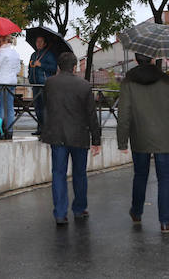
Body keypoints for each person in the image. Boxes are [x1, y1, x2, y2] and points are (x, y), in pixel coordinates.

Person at [117, 53, 169, 233]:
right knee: (164, 179)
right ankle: (165, 222)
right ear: (153, 60)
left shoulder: (128, 82)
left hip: (139, 136)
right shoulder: (168, 81)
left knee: (140, 175)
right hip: (164, 138)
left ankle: (137, 212)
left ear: (136, 60)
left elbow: (124, 114)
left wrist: (122, 141)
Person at [41, 52, 101, 225]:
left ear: (58, 67)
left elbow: (47, 107)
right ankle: (79, 208)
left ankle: (60, 213)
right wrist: (96, 139)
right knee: (80, 174)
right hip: (79, 136)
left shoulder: (50, 83)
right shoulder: (84, 85)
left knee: (58, 174)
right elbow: (91, 115)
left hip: (57, 135)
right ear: (75, 67)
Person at [0, 35, 20, 140]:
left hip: (2, 82)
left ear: (3, 41)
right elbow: (18, 69)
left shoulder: (3, 51)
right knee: (10, 107)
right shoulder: (15, 52)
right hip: (12, 82)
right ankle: (9, 131)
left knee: (0, 107)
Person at [28, 36, 57, 136]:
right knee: (37, 108)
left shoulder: (49, 55)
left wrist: (41, 65)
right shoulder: (33, 55)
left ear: (45, 44)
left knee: (45, 108)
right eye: (37, 41)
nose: (38, 43)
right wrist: (29, 78)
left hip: (44, 84)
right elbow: (30, 67)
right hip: (35, 84)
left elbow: (53, 68)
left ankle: (46, 129)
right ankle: (40, 127)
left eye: (41, 41)